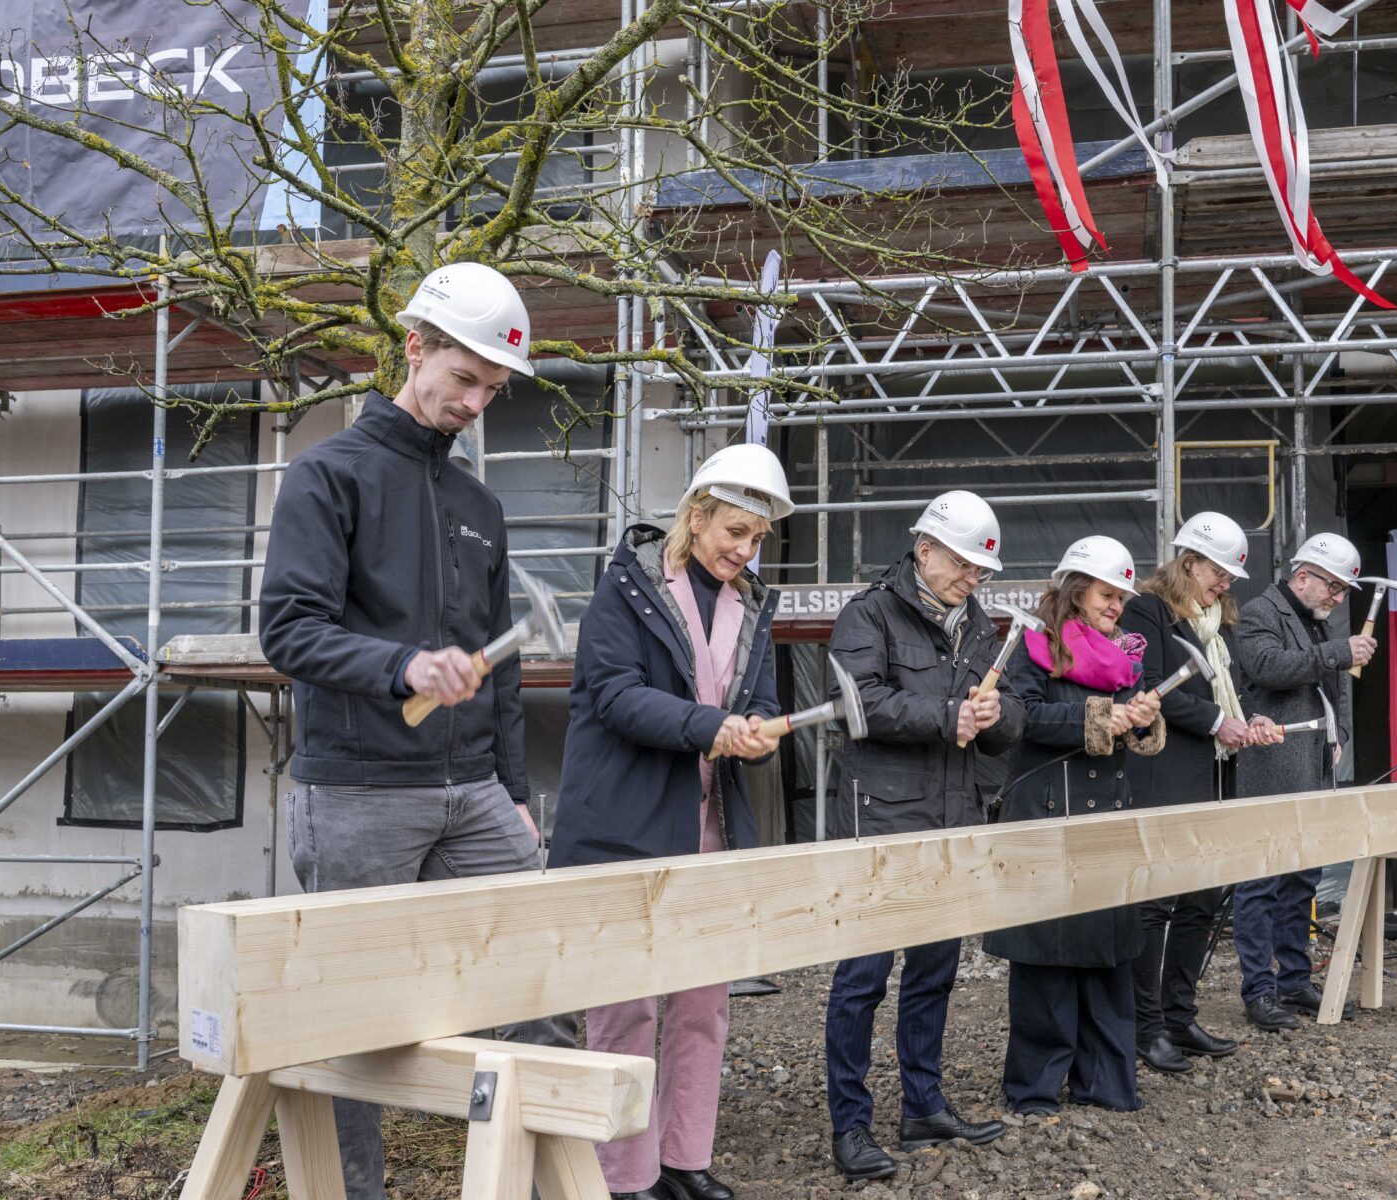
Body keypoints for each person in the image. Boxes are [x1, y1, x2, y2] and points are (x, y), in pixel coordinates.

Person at [260, 262, 576, 1200]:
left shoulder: (479, 507)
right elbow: (288, 629)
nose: (476, 402)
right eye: (464, 378)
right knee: (353, 1023)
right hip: (356, 790)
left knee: (544, 973)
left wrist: (515, 796)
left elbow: (502, 669)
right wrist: (401, 666)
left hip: (472, 791)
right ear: (414, 347)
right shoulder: (329, 475)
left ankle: (527, 1180)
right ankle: (353, 1191)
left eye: (493, 388)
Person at [546, 444, 791, 1200]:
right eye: (734, 533)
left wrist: (755, 729)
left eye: (756, 539)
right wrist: (711, 724)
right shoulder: (626, 588)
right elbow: (614, 697)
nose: (744, 551)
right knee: (622, 1006)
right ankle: (625, 1173)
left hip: (709, 825)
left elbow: (760, 705)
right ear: (695, 517)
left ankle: (686, 1159)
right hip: (623, 823)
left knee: (702, 1005)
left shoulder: (753, 606)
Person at [822, 489, 1027, 1181]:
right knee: (863, 976)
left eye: (982, 572)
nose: (974, 580)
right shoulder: (868, 614)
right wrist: (947, 715)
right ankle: (849, 1125)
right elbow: (859, 703)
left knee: (936, 970)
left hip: (954, 815)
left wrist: (997, 715)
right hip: (882, 815)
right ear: (925, 549)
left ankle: (922, 1105)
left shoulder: (980, 626)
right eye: (965, 566)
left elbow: (1012, 723)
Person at [983, 536, 1163, 1116]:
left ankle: (1106, 1083)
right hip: (1044, 816)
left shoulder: (1119, 659)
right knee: (1046, 962)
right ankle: (1034, 1090)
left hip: (1105, 816)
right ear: (1076, 590)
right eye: (1108, 594)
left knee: (1110, 958)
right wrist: (1101, 716)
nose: (1117, 605)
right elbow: (1022, 718)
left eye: (1121, 597)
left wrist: (1140, 719)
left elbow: (1127, 729)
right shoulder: (1028, 644)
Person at [1119, 513, 1281, 1072]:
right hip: (1167, 777)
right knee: (1158, 901)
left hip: (1213, 775)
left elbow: (1227, 692)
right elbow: (1148, 690)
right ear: (1188, 563)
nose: (1225, 584)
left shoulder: (1217, 624)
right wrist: (1217, 722)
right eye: (1218, 573)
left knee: (1203, 900)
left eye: (1232, 578)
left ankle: (1178, 1015)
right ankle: (1145, 1026)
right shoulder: (1147, 612)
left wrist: (1244, 720)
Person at [1231, 531, 1377, 1032]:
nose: (1337, 599)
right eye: (1333, 588)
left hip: (1313, 766)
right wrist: (1338, 651)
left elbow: (1334, 691)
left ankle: (1293, 981)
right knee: (1260, 882)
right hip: (1270, 772)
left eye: (1342, 592)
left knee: (1301, 879)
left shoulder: (1315, 622)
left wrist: (1342, 736)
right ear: (1302, 576)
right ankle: (1259, 991)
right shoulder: (1260, 614)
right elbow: (1268, 668)